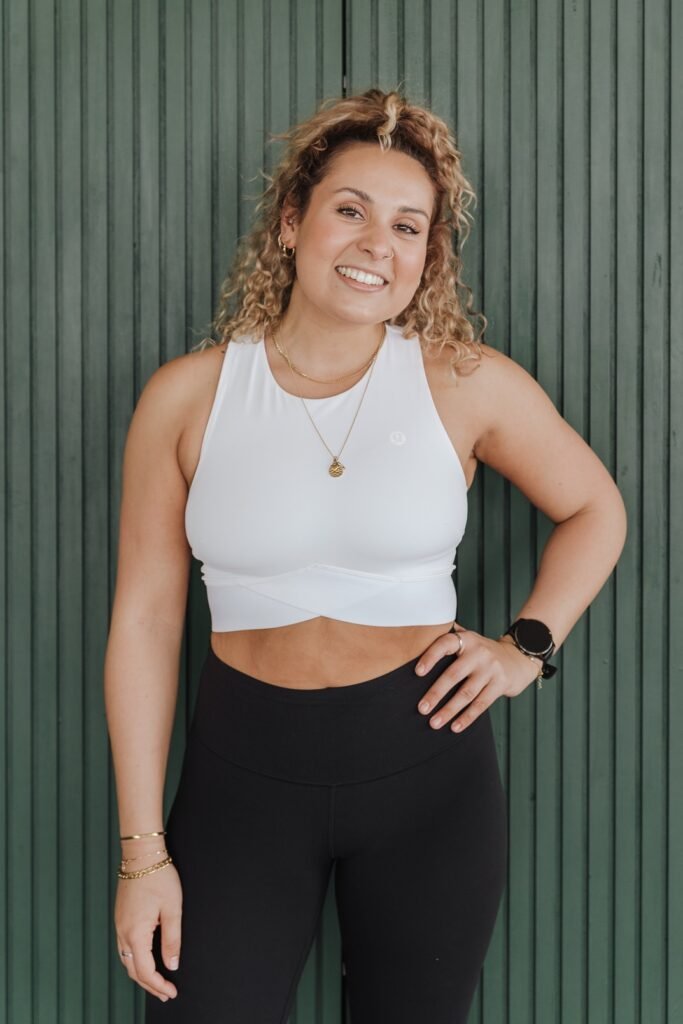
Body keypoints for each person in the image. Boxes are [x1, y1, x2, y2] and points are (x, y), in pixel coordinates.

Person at [104, 88, 627, 1023]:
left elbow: (594, 507)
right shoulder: (187, 398)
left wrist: (524, 650)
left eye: (407, 225)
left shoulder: (466, 382)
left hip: (426, 774)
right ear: (292, 222)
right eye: (350, 210)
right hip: (241, 781)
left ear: (427, 255)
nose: (375, 245)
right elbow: (145, 621)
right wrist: (143, 853)